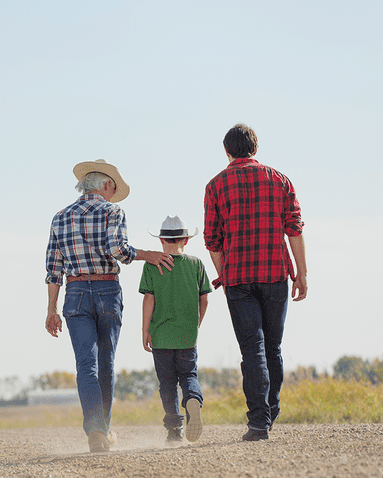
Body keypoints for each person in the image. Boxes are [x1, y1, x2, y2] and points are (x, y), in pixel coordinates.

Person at [45, 159, 175, 453]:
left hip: (75, 291)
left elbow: (54, 269)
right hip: (106, 289)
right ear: (106, 184)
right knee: (105, 364)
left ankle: (96, 430)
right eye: (114, 189)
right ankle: (101, 430)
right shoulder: (112, 211)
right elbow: (119, 251)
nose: (115, 195)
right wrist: (149, 255)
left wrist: (51, 309)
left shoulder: (60, 217)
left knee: (85, 365)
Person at [203, 124, 308, 442]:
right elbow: (294, 229)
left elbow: (212, 240)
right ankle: (270, 411)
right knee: (272, 348)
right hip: (275, 273)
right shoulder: (280, 179)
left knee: (252, 349)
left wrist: (225, 274)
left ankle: (259, 421)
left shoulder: (215, 185)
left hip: (239, 279)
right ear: (255, 149)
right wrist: (301, 273)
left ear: (227, 152)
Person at [139, 216, 212, 444]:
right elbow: (205, 300)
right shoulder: (196, 264)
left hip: (161, 336)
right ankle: (192, 399)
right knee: (189, 375)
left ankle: (174, 430)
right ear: (186, 240)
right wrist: (195, 324)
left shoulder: (152, 264)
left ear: (162, 240)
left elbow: (148, 300)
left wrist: (145, 330)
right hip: (187, 335)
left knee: (167, 383)